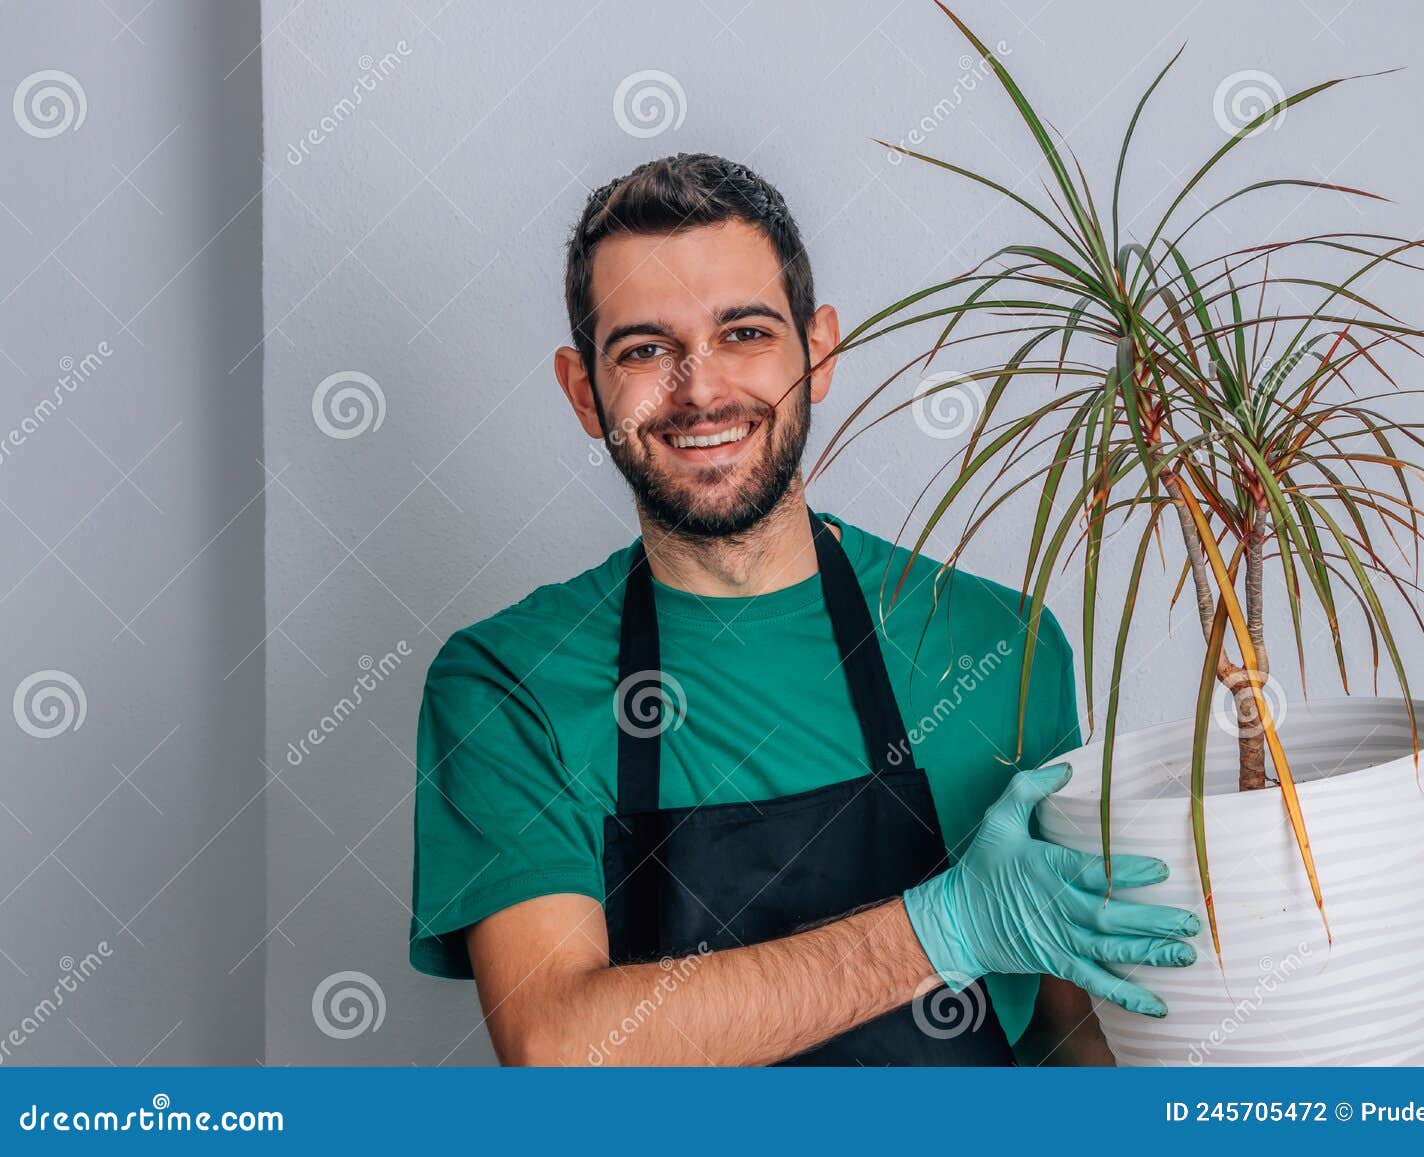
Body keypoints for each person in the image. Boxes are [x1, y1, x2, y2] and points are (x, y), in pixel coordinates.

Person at [408, 153, 1199, 1066]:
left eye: (743, 332)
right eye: (643, 349)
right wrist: (940, 930)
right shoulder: (510, 683)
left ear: (818, 351)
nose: (700, 388)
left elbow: (1070, 1030)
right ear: (586, 390)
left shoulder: (999, 645)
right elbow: (558, 1047)